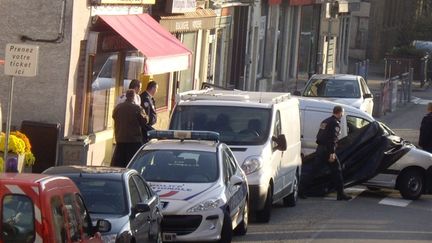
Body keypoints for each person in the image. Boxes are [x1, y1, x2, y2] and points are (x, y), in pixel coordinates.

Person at [300, 105, 352, 201]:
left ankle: (301, 190)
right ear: (340, 112)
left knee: (313, 171)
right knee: (337, 171)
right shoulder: (335, 123)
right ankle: (341, 194)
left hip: (320, 149)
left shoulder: (325, 121)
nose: (343, 115)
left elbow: (319, 136)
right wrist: (331, 153)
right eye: (342, 113)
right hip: (328, 151)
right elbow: (333, 139)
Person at [112, 89, 148, 167]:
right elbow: (145, 121)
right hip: (134, 141)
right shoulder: (137, 108)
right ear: (133, 97)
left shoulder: (118, 107)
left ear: (126, 97)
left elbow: (114, 117)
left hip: (120, 140)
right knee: (133, 164)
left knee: (119, 165)